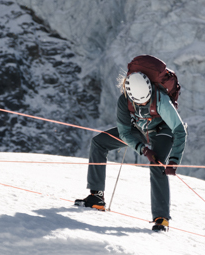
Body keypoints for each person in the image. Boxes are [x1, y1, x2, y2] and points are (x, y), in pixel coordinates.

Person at [75, 67, 187, 232]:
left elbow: (179, 131)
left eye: (145, 101)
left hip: (163, 130)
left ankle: (161, 218)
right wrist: (143, 149)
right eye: (139, 102)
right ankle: (96, 197)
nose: (142, 104)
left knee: (158, 164)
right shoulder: (124, 101)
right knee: (99, 142)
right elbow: (124, 133)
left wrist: (174, 160)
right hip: (139, 130)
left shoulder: (161, 99)